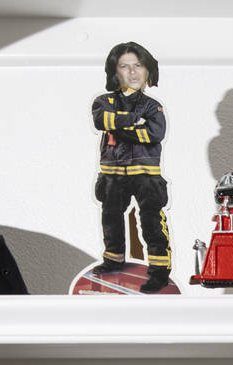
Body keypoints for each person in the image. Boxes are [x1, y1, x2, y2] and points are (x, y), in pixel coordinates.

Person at [90, 41, 172, 294]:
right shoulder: (103, 101)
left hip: (146, 176)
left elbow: (155, 132)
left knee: (151, 222)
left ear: (148, 70)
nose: (133, 72)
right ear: (114, 72)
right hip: (112, 175)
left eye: (138, 65)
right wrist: (133, 122)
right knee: (111, 218)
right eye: (125, 66)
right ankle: (113, 260)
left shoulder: (152, 106)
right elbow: (101, 120)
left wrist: (119, 126)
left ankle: (159, 271)